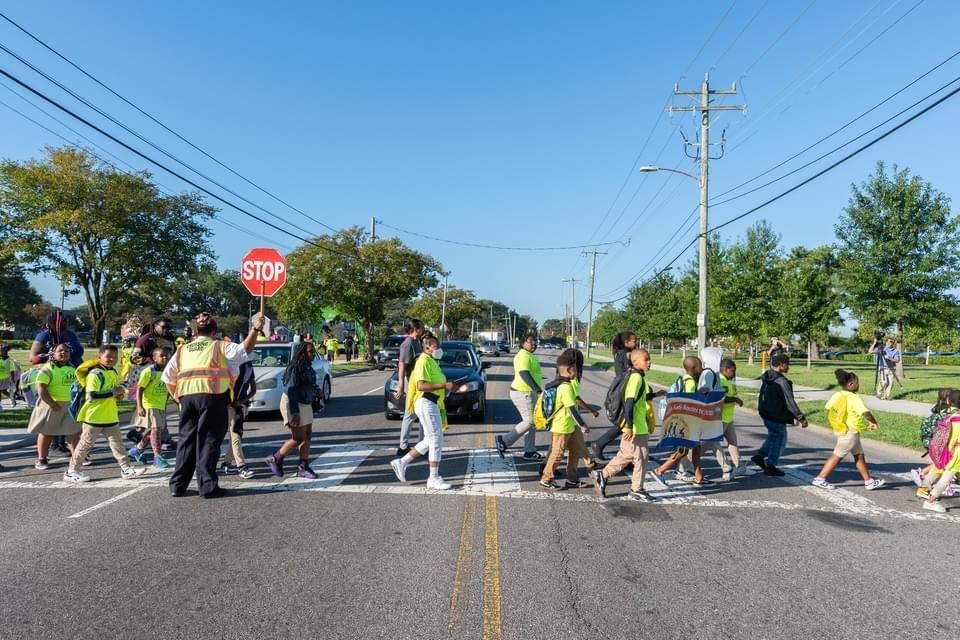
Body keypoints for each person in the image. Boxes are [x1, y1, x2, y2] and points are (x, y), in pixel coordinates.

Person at [163, 312, 264, 498]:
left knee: (186, 442)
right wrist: (255, 329)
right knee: (208, 441)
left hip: (186, 398)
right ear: (214, 331)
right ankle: (208, 486)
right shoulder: (220, 346)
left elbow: (168, 378)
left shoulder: (183, 349)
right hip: (213, 396)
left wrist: (178, 398)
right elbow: (245, 350)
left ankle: (178, 485)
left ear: (195, 331)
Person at [593, 349, 664, 502]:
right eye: (646, 359)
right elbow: (629, 402)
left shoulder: (638, 377)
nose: (649, 362)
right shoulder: (636, 378)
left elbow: (639, 398)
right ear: (635, 362)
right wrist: (630, 426)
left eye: (649, 359)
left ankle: (602, 475)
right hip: (636, 428)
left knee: (627, 456)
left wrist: (655, 395)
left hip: (637, 427)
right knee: (641, 458)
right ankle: (636, 489)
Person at [63, 345, 137, 482]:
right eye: (108, 356)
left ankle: (126, 469)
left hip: (110, 415)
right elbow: (92, 395)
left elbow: (114, 390)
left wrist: (119, 393)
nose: (111, 359)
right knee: (85, 445)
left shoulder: (113, 372)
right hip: (93, 416)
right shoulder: (95, 374)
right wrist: (114, 393)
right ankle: (71, 471)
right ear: (99, 357)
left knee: (117, 444)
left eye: (114, 357)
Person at [389, 335, 454, 490]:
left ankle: (402, 462)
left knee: (430, 439)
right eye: (436, 347)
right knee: (436, 439)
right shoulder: (424, 361)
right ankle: (433, 477)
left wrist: (448, 386)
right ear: (427, 347)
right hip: (426, 402)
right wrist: (444, 385)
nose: (439, 350)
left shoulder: (431, 361)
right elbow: (421, 385)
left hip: (432, 403)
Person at [811, 369, 886, 492]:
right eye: (857, 382)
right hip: (849, 433)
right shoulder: (853, 398)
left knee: (859, 456)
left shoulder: (838, 395)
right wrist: (873, 421)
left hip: (848, 430)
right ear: (851, 384)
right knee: (837, 456)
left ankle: (869, 481)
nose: (859, 385)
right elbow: (865, 412)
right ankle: (820, 478)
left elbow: (829, 407)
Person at [652, 356, 713, 486]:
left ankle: (699, 477)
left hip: (682, 420)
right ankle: (659, 471)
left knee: (696, 449)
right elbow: (690, 403)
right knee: (683, 450)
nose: (702, 368)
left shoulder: (682, 379)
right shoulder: (690, 383)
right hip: (687, 422)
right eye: (700, 366)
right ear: (694, 368)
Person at [266, 341, 320, 479]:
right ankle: (275, 458)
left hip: (304, 404)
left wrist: (316, 393)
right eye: (310, 351)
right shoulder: (296, 368)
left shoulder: (307, 367)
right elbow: (292, 391)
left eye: (313, 351)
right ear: (301, 353)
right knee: (298, 438)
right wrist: (295, 412)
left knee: (307, 436)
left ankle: (303, 466)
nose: (313, 354)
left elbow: (308, 385)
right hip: (293, 403)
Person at [539, 351, 590, 490]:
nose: (576, 371)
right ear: (568, 370)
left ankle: (572, 479)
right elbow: (572, 409)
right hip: (562, 426)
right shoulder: (565, 387)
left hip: (569, 426)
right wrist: (583, 425)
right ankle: (546, 479)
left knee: (575, 451)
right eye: (575, 369)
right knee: (557, 453)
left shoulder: (560, 384)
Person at [754, 354, 808, 477]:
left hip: (766, 413)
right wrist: (801, 418)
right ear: (781, 364)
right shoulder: (782, 381)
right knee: (780, 441)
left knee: (773, 437)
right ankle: (771, 466)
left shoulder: (767, 376)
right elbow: (790, 402)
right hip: (777, 415)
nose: (789, 366)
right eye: (787, 364)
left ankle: (760, 456)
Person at [27, 344, 80, 470]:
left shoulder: (73, 368)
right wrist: (52, 404)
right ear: (52, 354)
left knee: (73, 433)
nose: (64, 353)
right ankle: (42, 458)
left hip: (70, 404)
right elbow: (41, 389)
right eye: (60, 350)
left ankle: (77, 457)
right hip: (51, 405)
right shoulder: (47, 369)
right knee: (47, 432)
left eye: (67, 351)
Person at [496, 333, 544, 460]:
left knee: (532, 422)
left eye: (535, 341)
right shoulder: (522, 355)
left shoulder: (529, 355)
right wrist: (538, 391)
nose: (534, 343)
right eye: (530, 341)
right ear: (522, 343)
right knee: (529, 421)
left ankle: (529, 450)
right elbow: (524, 374)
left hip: (528, 392)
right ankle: (504, 441)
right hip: (523, 392)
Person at [591, 331, 637, 461]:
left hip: (622, 387)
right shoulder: (626, 354)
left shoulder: (620, 353)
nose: (636, 343)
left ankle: (626, 452)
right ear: (626, 342)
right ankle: (600, 444)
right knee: (626, 423)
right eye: (634, 341)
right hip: (625, 389)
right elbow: (630, 372)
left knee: (624, 423)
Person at [127, 348, 172, 469]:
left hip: (161, 405)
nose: (165, 358)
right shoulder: (149, 371)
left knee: (156, 431)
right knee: (156, 430)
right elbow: (140, 389)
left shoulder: (168, 371)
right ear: (154, 358)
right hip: (150, 404)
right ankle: (158, 456)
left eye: (166, 355)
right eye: (161, 356)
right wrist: (140, 406)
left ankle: (137, 449)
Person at [919, 389, 960, 513]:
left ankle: (923, 489)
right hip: (956, 452)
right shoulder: (958, 420)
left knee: (937, 469)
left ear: (949, 401)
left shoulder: (949, 416)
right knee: (948, 476)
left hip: (945, 449)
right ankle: (930, 501)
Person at [221, 356, 257, 479]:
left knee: (236, 436)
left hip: (241, 405)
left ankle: (226, 462)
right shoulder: (229, 366)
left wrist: (242, 401)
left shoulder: (249, 367)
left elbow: (253, 390)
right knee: (235, 435)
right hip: (229, 406)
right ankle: (241, 466)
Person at [394, 320, 425, 456]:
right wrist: (401, 386)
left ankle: (422, 444)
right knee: (410, 414)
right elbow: (402, 365)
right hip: (413, 384)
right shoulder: (408, 344)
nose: (423, 329)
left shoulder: (417, 342)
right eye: (422, 327)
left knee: (423, 414)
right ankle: (403, 446)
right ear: (416, 329)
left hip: (421, 383)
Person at [715, 358, 744, 480]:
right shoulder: (721, 381)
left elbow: (730, 394)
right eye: (733, 371)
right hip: (720, 418)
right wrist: (736, 400)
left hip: (728, 418)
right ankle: (685, 466)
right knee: (710, 443)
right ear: (726, 369)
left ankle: (739, 466)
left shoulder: (727, 380)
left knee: (733, 443)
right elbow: (723, 399)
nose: (734, 373)